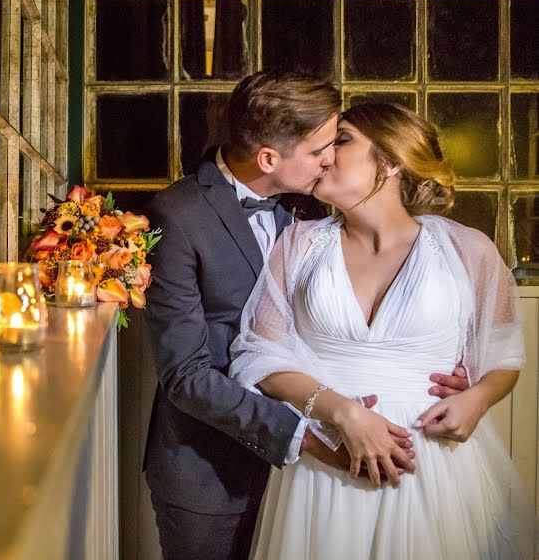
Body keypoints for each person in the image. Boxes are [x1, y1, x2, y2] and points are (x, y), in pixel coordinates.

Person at [142, 73, 467, 560]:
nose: (330, 158)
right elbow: (186, 375)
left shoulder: (313, 201)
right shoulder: (179, 214)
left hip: (317, 480)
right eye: (320, 149)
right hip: (214, 469)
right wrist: (307, 436)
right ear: (269, 159)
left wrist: (431, 373)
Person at [229, 102, 532, 558]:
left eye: (342, 140)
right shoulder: (299, 243)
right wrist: (341, 413)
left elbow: (504, 355)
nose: (326, 155)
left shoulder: (465, 249)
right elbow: (259, 356)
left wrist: (478, 398)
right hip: (329, 459)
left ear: (390, 162)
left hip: (431, 459)